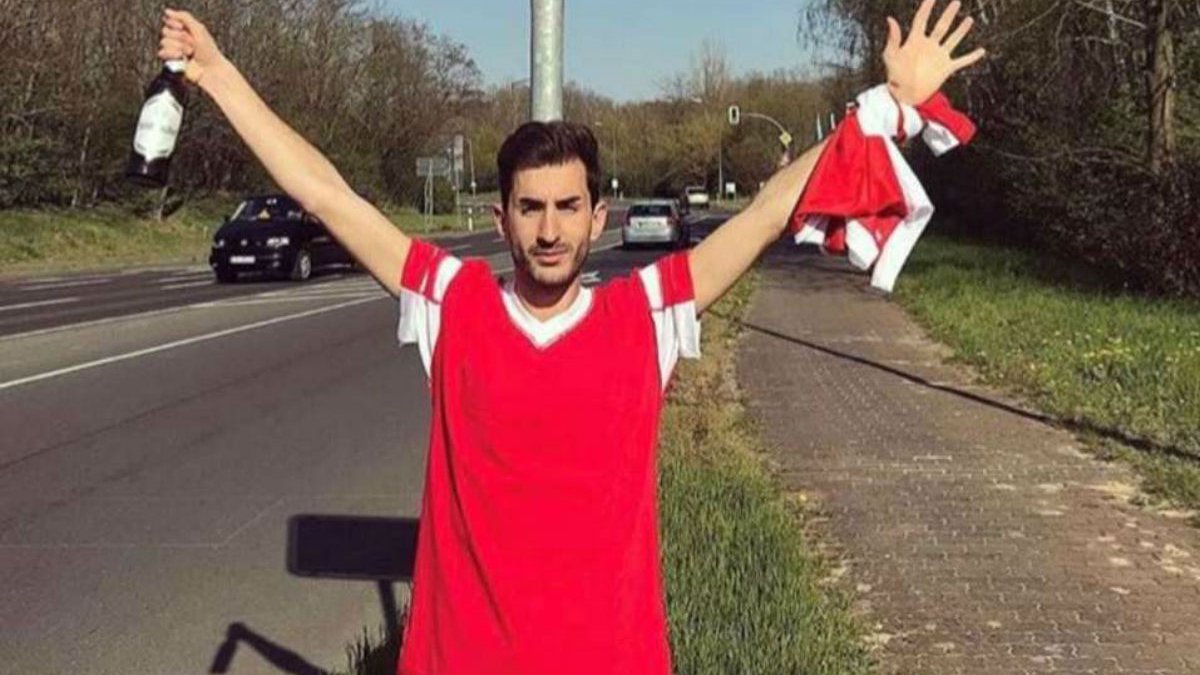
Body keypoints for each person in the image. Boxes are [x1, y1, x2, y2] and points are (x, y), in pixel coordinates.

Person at [157, 2, 984, 673]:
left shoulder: (646, 315)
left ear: (598, 218)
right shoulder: (453, 304)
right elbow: (328, 196)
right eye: (529, 208)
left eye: (566, 208)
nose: (548, 231)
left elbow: (771, 209)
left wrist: (888, 108)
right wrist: (219, 74)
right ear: (501, 219)